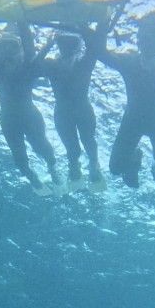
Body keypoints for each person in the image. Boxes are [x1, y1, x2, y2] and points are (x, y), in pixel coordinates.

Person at [95, 12, 155, 202]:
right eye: (145, 38)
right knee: (115, 169)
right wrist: (103, 23)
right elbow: (101, 53)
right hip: (135, 121)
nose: (150, 44)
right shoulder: (129, 61)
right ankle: (134, 159)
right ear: (138, 40)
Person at [0, 22, 59, 195]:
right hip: (10, 120)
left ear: (19, 51)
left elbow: (35, 52)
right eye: (4, 47)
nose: (8, 52)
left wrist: (49, 43)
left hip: (29, 117)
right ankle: (35, 179)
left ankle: (53, 170)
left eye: (13, 47)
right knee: (20, 159)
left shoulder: (27, 66)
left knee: (42, 148)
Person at [40, 27, 107, 190]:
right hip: (68, 111)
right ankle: (77, 166)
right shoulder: (52, 65)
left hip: (77, 109)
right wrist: (48, 45)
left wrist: (84, 30)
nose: (67, 47)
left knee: (87, 140)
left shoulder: (82, 63)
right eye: (64, 43)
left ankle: (92, 164)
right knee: (73, 147)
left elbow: (94, 48)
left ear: (77, 46)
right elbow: (33, 64)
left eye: (71, 44)